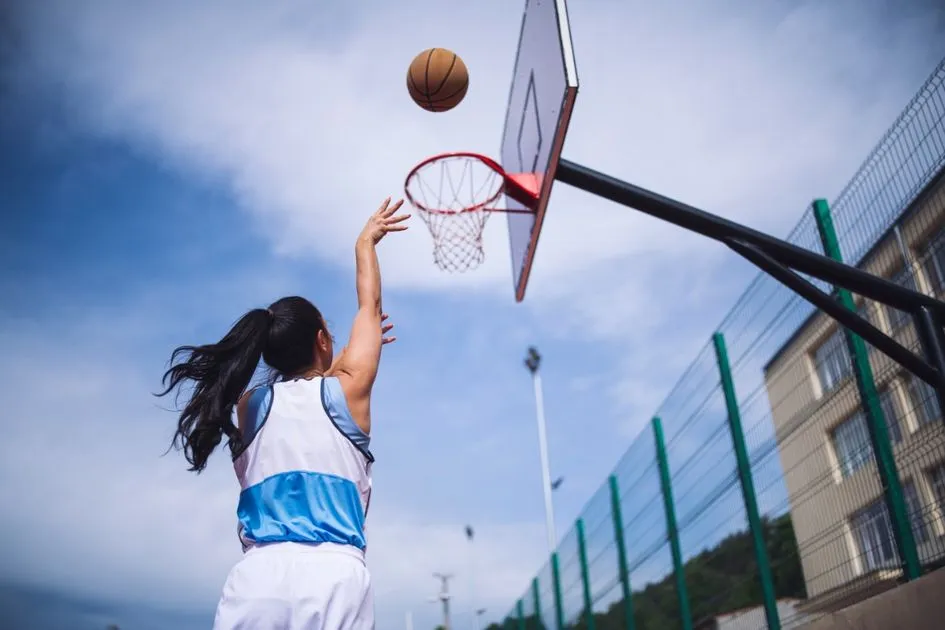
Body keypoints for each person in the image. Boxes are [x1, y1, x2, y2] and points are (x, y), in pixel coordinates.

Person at [157, 198, 409, 629]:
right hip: (334, 577)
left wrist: (333, 366)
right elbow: (370, 307)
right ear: (323, 339)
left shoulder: (247, 405)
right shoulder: (349, 391)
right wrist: (365, 243)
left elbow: (301, 398)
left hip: (259, 579)